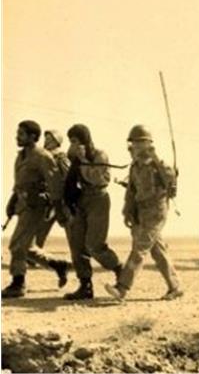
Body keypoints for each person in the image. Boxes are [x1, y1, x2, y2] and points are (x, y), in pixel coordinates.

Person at [105, 125, 182, 301]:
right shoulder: (135, 166)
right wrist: (127, 210)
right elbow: (131, 191)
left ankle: (122, 288)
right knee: (158, 251)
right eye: (134, 143)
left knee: (139, 248)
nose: (136, 147)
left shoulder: (158, 165)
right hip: (141, 211)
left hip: (156, 211)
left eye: (140, 143)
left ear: (149, 144)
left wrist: (156, 158)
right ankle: (175, 287)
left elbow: (170, 180)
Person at [2, 121, 70, 298]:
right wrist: (12, 201)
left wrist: (58, 210)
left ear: (33, 137)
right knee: (28, 247)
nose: (17, 137)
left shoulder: (42, 156)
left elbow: (55, 184)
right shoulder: (21, 156)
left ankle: (18, 283)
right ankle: (58, 264)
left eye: (21, 134)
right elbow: (19, 183)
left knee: (17, 244)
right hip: (22, 204)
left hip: (36, 206)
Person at [63, 124, 123, 300]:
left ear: (85, 140)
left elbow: (98, 179)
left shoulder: (99, 155)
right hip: (82, 199)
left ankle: (120, 270)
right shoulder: (75, 157)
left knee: (94, 245)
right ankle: (85, 285)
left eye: (75, 140)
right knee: (77, 244)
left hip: (98, 199)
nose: (73, 144)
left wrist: (83, 159)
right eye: (71, 141)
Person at [32, 130, 71, 250]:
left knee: (71, 230)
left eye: (50, 139)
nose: (46, 141)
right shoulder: (42, 156)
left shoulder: (60, 157)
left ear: (57, 141)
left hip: (60, 199)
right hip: (45, 199)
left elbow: (68, 177)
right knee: (39, 231)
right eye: (46, 138)